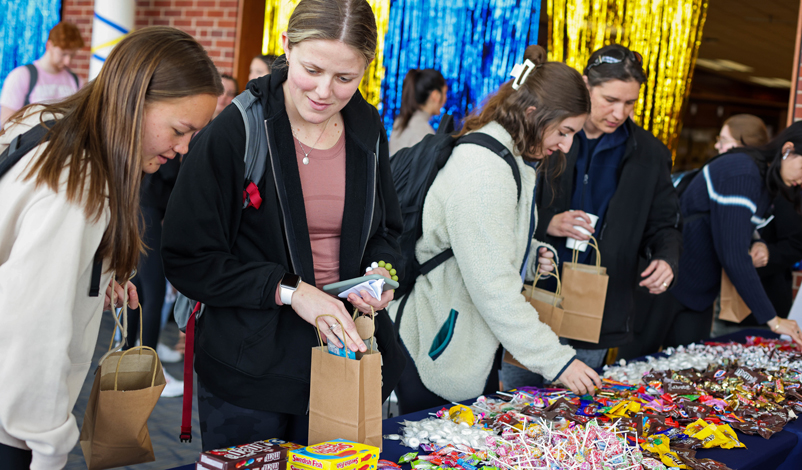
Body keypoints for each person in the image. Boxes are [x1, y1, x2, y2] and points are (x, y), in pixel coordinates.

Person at [161, 0, 406, 450]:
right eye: (312, 69)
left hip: (346, 360)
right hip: (252, 372)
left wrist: (383, 274)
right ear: (285, 48)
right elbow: (189, 258)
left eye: (345, 78)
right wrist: (292, 291)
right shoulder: (237, 130)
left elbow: (388, 231)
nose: (325, 91)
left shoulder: (366, 126)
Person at [0, 26, 221, 469]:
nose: (181, 149)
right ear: (135, 99)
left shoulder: (50, 124)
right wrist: (47, 447)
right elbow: (33, 330)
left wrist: (91, 278)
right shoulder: (78, 185)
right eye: (180, 130)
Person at [388, 45, 602, 415]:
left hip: (463, 346)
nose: (566, 145)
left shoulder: (508, 157)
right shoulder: (486, 173)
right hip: (437, 350)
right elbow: (493, 289)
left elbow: (481, 245)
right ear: (533, 113)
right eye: (564, 132)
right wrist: (558, 361)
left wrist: (533, 254)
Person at [501, 44, 683, 389]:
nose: (620, 113)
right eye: (610, 100)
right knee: (512, 404)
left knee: (575, 413)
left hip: (600, 305)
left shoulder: (651, 153)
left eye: (630, 103)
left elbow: (665, 223)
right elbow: (504, 205)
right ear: (586, 86)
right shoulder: (546, 133)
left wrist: (666, 258)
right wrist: (547, 223)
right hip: (534, 293)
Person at [632, 122, 802, 351]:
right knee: (633, 368)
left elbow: (735, 224)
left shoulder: (764, 180)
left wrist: (757, 241)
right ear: (788, 149)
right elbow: (733, 254)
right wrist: (773, 319)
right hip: (663, 283)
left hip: (699, 292)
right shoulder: (742, 171)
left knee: (686, 373)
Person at [714, 115, 802, 320]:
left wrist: (767, 252)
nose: (719, 147)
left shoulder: (788, 186)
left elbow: (796, 244)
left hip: (764, 295)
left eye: (725, 141)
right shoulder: (745, 177)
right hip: (726, 289)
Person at [0, 22, 85, 125]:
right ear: (49, 45)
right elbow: (6, 123)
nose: (68, 61)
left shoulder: (76, 81)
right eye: (63, 54)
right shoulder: (21, 76)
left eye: (72, 55)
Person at [389, 68, 447, 156]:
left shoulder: (399, 123)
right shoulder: (425, 134)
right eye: (445, 93)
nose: (446, 98)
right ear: (436, 96)